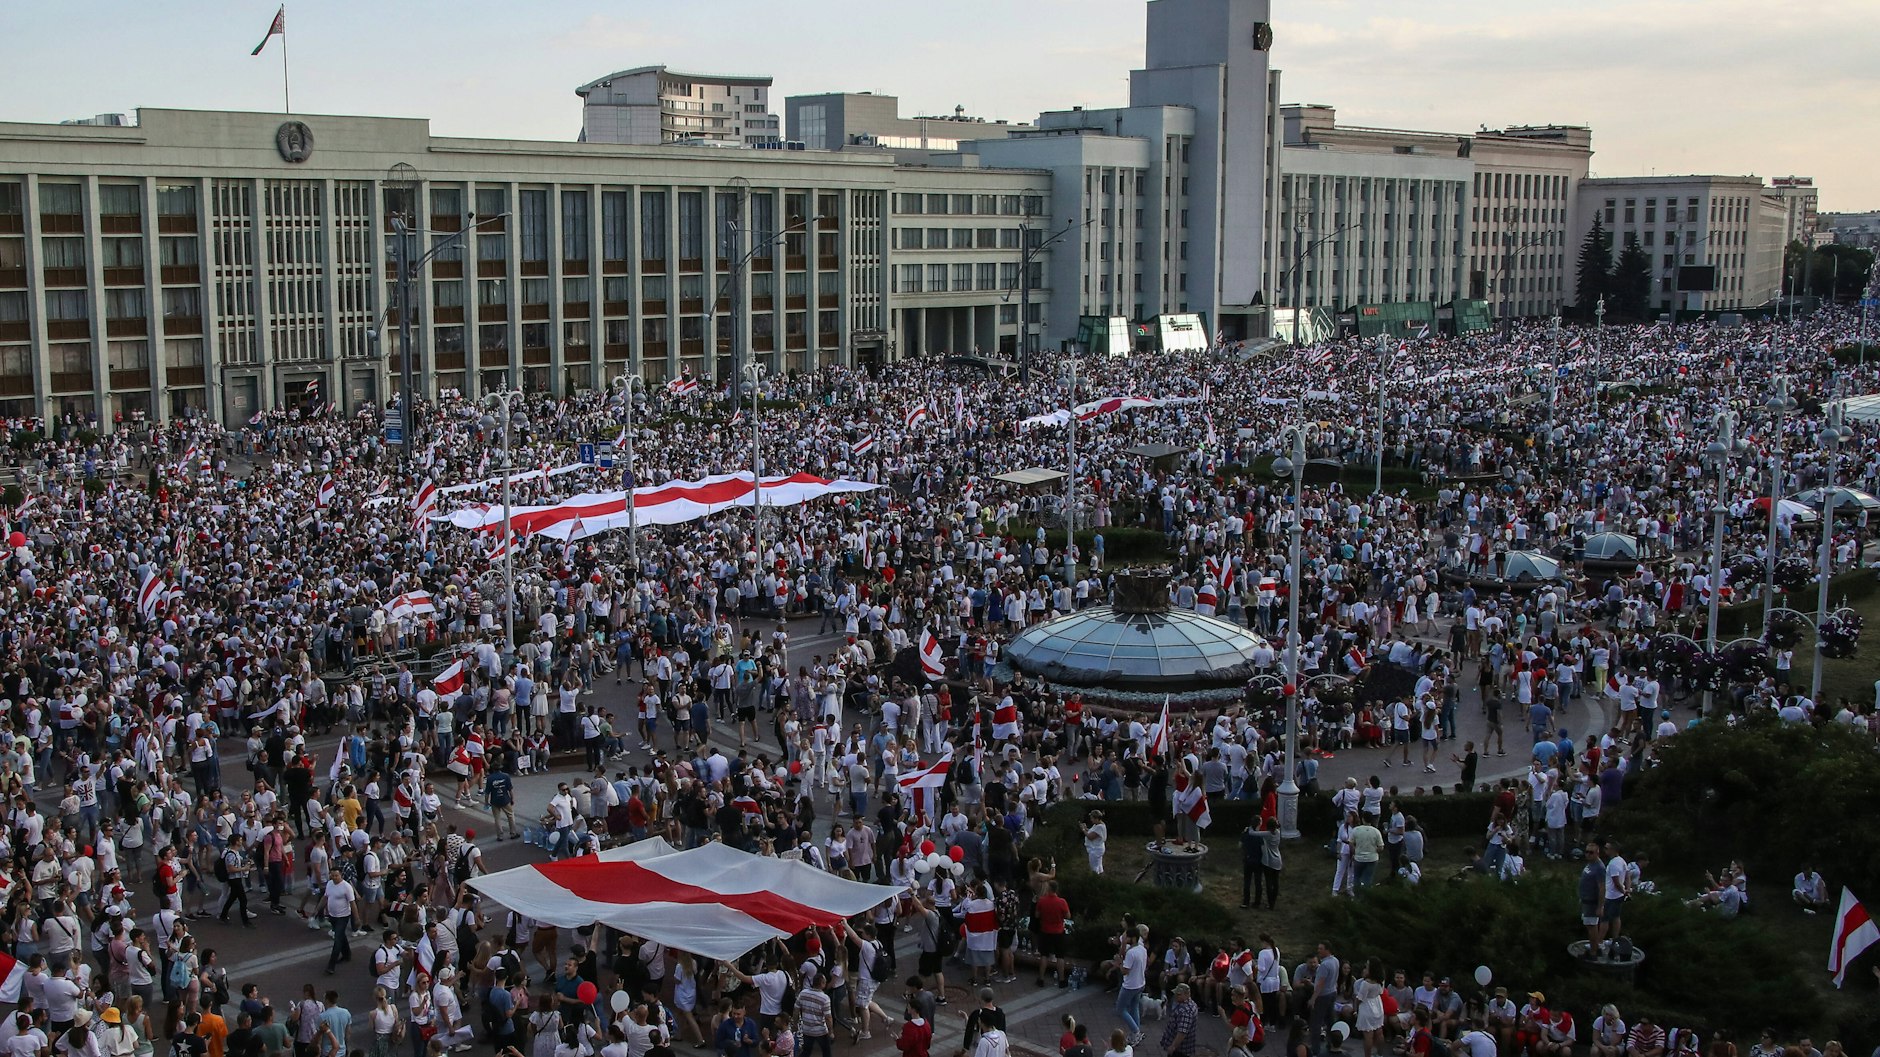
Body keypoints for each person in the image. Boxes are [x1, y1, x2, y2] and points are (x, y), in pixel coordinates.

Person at [1115, 927, 1149, 1046]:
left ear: (1133, 938)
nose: (1125, 940)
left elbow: (1125, 971)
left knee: (1120, 1009)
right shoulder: (1142, 949)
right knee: (1134, 1007)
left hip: (1130, 986)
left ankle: (1136, 1031)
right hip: (1141, 983)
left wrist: (1119, 962)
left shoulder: (1131, 953)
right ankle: (1136, 1035)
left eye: (1127, 938)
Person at [1159, 984, 1198, 1057]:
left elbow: (1182, 1032)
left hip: (1180, 1049)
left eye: (1179, 994)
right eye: (1176, 993)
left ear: (1187, 994)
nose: (1176, 996)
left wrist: (1173, 1046)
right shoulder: (1189, 1003)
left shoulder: (1186, 1012)